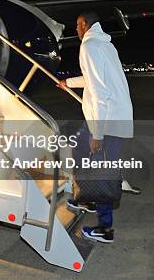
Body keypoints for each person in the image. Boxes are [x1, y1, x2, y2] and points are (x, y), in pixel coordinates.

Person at [57, 12, 134, 243]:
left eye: (77, 26)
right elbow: (95, 80)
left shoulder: (89, 45)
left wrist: (98, 134)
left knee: (102, 170)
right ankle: (88, 197)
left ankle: (105, 228)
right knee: (80, 149)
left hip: (107, 120)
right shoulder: (105, 46)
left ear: (84, 25)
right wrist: (68, 83)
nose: (76, 31)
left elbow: (100, 92)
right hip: (114, 115)